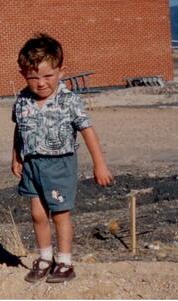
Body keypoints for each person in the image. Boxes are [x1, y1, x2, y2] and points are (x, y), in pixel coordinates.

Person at [11, 33, 113, 283]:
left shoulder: (69, 101)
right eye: (33, 77)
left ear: (60, 72)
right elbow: (19, 128)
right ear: (24, 74)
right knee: (37, 214)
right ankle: (45, 258)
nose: (41, 83)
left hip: (59, 165)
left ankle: (65, 261)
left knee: (59, 214)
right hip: (32, 165)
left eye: (47, 76)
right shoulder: (22, 99)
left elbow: (87, 131)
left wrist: (99, 164)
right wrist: (15, 156)